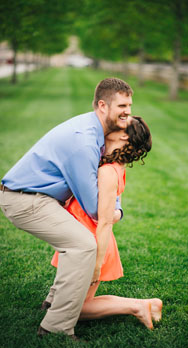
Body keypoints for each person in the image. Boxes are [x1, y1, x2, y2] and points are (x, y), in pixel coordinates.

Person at [0, 77, 133, 340]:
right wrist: (117, 212)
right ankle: (56, 327)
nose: (127, 111)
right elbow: (95, 207)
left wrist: (115, 205)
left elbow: (101, 180)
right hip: (24, 200)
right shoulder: (84, 141)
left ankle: (53, 303)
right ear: (103, 105)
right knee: (83, 245)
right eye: (122, 105)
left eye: (130, 105)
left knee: (79, 240)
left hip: (39, 197)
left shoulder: (94, 130)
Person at [43, 115, 161, 329]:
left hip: (93, 240)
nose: (114, 120)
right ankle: (145, 305)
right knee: (77, 303)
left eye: (123, 121)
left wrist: (97, 264)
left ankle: (138, 306)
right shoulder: (109, 163)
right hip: (83, 233)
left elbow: (105, 222)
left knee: (73, 310)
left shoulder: (107, 171)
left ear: (124, 135)